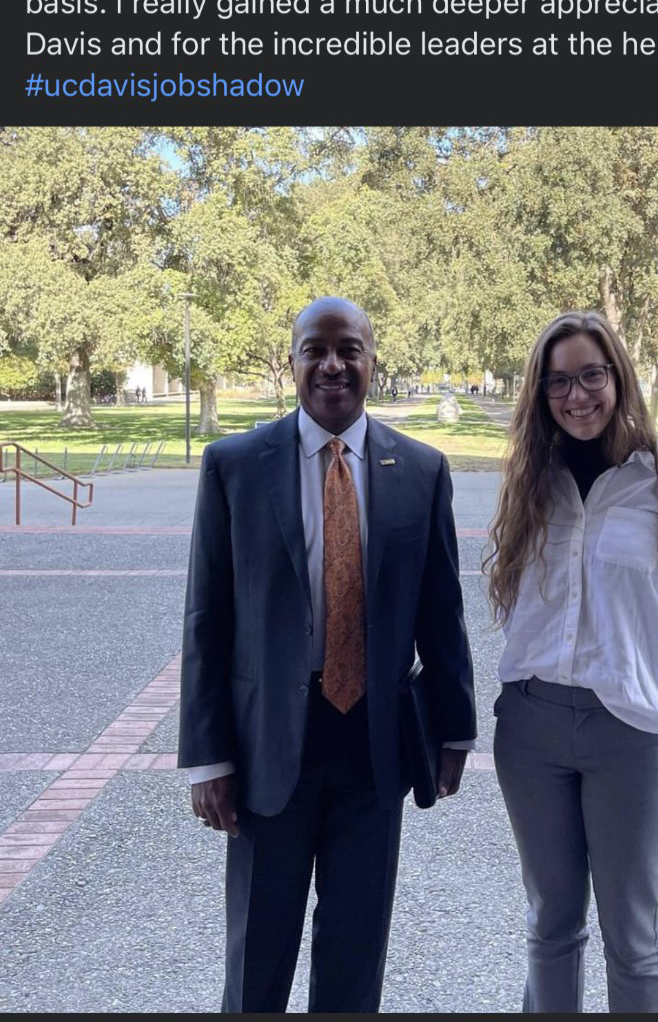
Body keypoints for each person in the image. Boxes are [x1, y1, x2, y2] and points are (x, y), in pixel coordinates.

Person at [179, 296, 476, 1013]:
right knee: (259, 954)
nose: (333, 364)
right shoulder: (235, 466)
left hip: (375, 746)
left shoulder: (422, 471)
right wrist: (207, 756)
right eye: (315, 349)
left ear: (374, 360)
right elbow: (206, 619)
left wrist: (455, 729)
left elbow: (442, 611)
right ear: (292, 361)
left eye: (350, 349)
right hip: (266, 749)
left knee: (354, 952)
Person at [485, 310, 658, 1014]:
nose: (577, 394)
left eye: (591, 374)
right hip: (529, 729)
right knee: (550, 925)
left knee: (632, 934)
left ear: (618, 378)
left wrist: (657, 707)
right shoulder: (533, 484)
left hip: (632, 734)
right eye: (558, 381)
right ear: (541, 395)